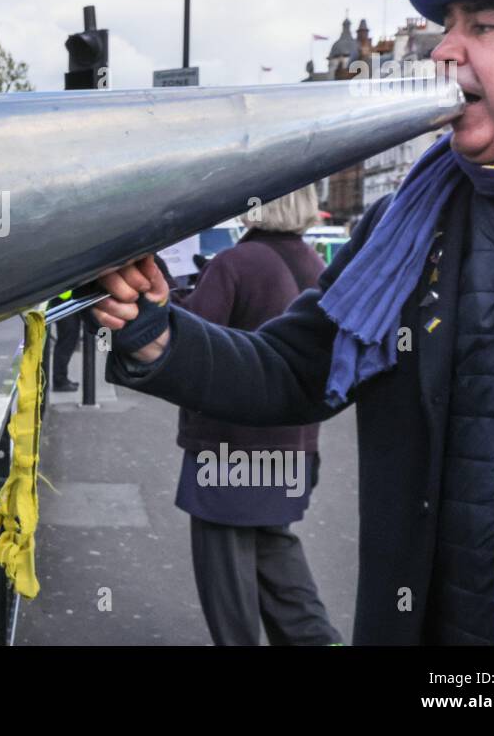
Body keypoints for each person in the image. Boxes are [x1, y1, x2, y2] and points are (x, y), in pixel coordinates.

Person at [95, 0, 494, 646]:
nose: (443, 51)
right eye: (448, 27)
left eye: (484, 26)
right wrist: (157, 332)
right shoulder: (412, 220)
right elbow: (293, 370)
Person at [163, 186, 341, 646]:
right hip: (294, 445)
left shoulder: (235, 264)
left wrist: (168, 294)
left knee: (227, 586)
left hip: (229, 449)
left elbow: (191, 345)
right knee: (278, 565)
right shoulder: (316, 265)